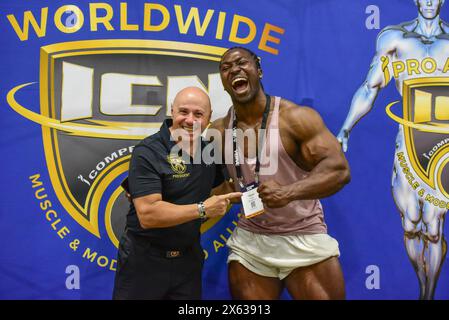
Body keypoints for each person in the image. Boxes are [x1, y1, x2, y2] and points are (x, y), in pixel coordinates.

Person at [208, 47, 351, 300]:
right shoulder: (218, 130)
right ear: (223, 82)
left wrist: (289, 192)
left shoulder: (295, 118)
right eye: (226, 68)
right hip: (250, 243)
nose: (234, 70)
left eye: (241, 63)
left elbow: (339, 170)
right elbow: (208, 182)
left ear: (259, 70)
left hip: (303, 235)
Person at [337, 0, 449, 300]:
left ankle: (428, 292)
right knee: (411, 223)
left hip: (444, 142)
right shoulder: (393, 38)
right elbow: (369, 87)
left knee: (434, 226)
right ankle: (420, 274)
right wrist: (346, 128)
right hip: (407, 140)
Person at [112, 87, 242, 300]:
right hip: (144, 261)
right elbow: (148, 215)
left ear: (209, 118)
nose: (190, 120)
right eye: (183, 111)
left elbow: (224, 186)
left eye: (198, 114)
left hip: (188, 261)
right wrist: (202, 209)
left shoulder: (209, 152)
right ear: (172, 111)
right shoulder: (148, 151)